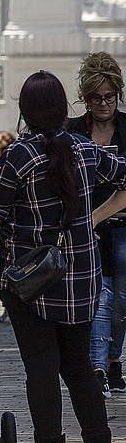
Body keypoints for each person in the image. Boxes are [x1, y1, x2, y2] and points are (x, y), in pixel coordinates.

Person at [0, 71, 126, 443]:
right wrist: (92, 219)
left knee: (41, 372)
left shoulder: (19, 156)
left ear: (25, 110)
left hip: (33, 283)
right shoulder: (86, 150)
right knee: (80, 369)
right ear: (66, 108)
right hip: (82, 275)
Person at [66, 53, 126, 396]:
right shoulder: (74, 132)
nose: (103, 104)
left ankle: (113, 358)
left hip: (122, 228)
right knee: (100, 299)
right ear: (85, 99)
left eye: (109, 97)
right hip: (89, 230)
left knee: (121, 303)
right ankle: (98, 368)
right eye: (95, 98)